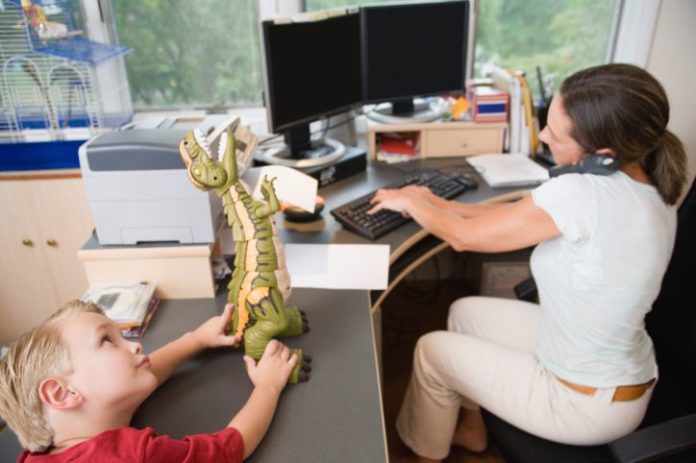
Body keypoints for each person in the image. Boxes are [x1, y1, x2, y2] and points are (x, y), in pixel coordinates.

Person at [368, 63, 687, 462]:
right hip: (613, 369)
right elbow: (513, 217)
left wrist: (413, 204)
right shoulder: (653, 180)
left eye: (556, 132)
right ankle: (472, 431)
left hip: (584, 402)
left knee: (432, 351)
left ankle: (423, 454)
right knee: (464, 313)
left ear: (603, 155)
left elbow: (462, 238)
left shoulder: (582, 193)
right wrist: (431, 202)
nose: (544, 135)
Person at [0, 300, 299, 462]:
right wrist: (268, 386)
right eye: (107, 341)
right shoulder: (133, 455)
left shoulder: (32, 457)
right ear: (62, 393)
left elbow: (142, 371)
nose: (136, 346)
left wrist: (195, 339)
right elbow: (227, 450)